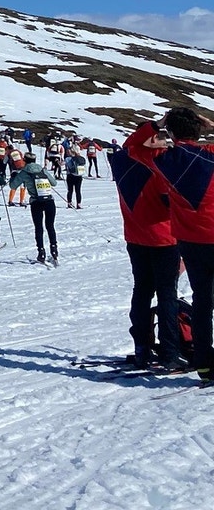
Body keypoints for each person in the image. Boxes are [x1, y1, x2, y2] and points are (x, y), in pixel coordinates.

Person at [127, 110, 214, 383]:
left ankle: (204, 365)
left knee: (202, 301)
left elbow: (132, 146)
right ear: (199, 130)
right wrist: (211, 124)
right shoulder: (210, 152)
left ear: (172, 134)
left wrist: (157, 124)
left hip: (190, 241)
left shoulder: (164, 160)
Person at [108, 134, 185, 369]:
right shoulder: (159, 166)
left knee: (141, 291)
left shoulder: (122, 162)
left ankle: (141, 346)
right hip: (163, 239)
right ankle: (170, 352)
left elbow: (129, 145)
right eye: (160, 138)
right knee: (166, 295)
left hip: (135, 237)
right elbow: (172, 206)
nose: (165, 142)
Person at [6, 151, 60, 265]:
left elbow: (12, 186)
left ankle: (41, 252)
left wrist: (14, 176)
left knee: (38, 227)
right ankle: (54, 250)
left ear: (24, 160)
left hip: (36, 202)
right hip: (49, 200)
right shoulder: (42, 170)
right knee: (50, 226)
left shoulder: (24, 172)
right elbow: (54, 183)